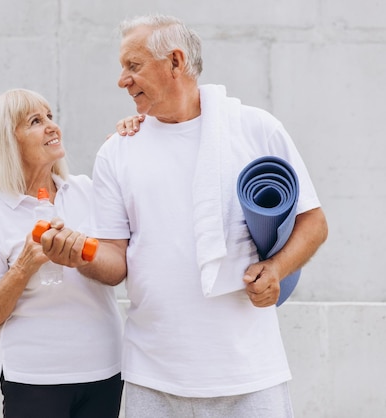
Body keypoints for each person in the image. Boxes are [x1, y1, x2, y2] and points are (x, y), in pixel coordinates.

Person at [39, 14, 328, 418]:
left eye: (133, 66)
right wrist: (79, 254)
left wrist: (277, 269)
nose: (122, 80)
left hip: (249, 372)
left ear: (175, 62)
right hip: (154, 376)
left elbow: (312, 222)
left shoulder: (256, 128)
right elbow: (114, 259)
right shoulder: (119, 150)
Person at [0, 88, 123, 418]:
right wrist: (23, 267)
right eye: (35, 121)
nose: (52, 126)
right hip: (33, 379)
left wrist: (82, 255)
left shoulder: (87, 191)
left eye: (50, 116)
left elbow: (119, 269)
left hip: (105, 370)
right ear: (9, 141)